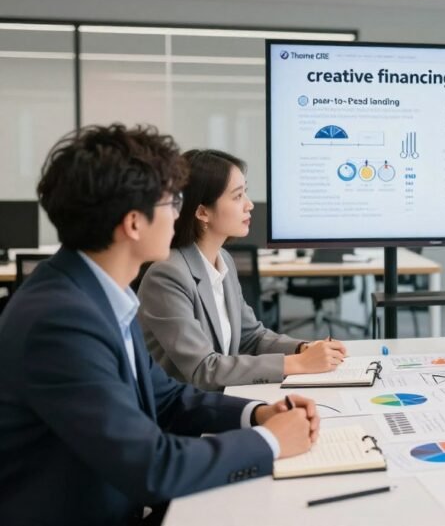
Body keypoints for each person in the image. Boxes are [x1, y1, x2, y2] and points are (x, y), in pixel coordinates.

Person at [0, 125, 319, 526]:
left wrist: (259, 414)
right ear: (134, 223)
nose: (178, 214)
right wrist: (270, 442)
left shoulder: (100, 292)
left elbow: (167, 398)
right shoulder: (60, 320)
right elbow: (153, 467)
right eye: (172, 202)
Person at [138, 149, 346, 390]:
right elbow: (204, 369)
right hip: (184, 417)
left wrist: (303, 348)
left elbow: (252, 337)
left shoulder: (222, 259)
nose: (249, 205)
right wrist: (298, 363)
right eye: (237, 196)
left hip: (222, 400)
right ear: (202, 211)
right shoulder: (167, 275)